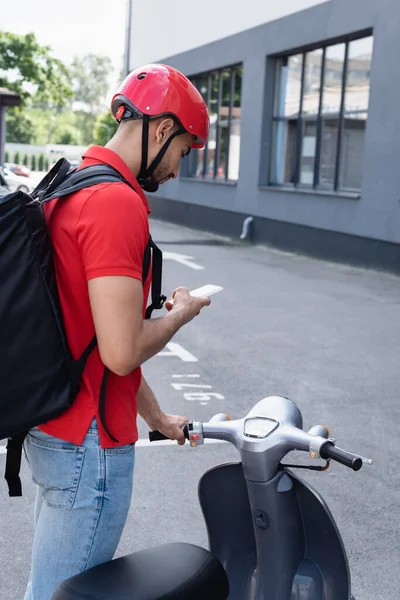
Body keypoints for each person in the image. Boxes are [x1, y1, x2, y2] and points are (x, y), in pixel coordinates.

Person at [24, 63, 210, 600]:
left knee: (49, 589)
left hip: (55, 425)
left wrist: (155, 416)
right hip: (89, 447)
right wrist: (180, 314)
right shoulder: (116, 204)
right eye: (184, 148)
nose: (179, 166)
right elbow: (122, 349)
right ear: (160, 129)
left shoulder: (69, 183)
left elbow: (93, 340)